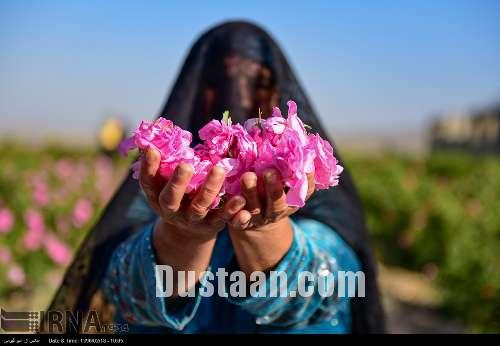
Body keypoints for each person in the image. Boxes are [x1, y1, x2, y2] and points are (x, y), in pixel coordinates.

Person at [45, 21, 385, 334]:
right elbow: (127, 293)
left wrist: (265, 230)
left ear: (279, 91)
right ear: (194, 91)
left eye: (257, 80)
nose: (238, 94)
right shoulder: (166, 187)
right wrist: (181, 235)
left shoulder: (318, 200)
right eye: (219, 81)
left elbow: (325, 287)